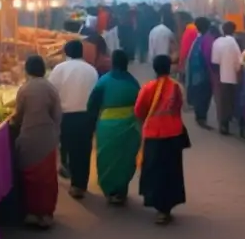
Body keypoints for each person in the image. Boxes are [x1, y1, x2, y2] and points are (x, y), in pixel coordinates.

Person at [135, 55, 188, 225]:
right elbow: (179, 107)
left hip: (154, 134)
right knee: (172, 171)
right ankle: (167, 208)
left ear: (155, 68)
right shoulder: (176, 87)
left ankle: (158, 207)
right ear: (169, 68)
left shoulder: (148, 87)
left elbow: (139, 110)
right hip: (173, 133)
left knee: (154, 170)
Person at [11, 55, 62, 229]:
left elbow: (18, 116)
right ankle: (46, 215)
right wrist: (55, 133)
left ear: (27, 70)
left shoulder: (24, 89)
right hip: (47, 138)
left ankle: (32, 214)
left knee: (30, 178)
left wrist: (15, 123)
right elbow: (57, 115)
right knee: (47, 179)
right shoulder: (51, 88)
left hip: (28, 138)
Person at [87, 50, 143, 204]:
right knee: (125, 159)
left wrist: (91, 123)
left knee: (106, 158)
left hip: (107, 127)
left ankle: (110, 191)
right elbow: (141, 105)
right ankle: (121, 190)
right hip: (129, 126)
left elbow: (92, 104)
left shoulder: (104, 81)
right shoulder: (133, 82)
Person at [49, 40, 99, 198]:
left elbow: (52, 92)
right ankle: (79, 185)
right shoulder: (92, 70)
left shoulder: (59, 69)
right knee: (83, 150)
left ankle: (66, 169)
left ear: (67, 53)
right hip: (87, 116)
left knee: (67, 146)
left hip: (66, 115)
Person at [211, 21, 243, 136]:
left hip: (220, 76)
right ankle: (228, 121)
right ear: (234, 30)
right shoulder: (234, 43)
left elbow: (214, 62)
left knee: (222, 101)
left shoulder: (217, 42)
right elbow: (239, 62)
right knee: (230, 101)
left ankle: (223, 124)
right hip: (232, 77)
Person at [185, 17, 214, 129]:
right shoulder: (207, 39)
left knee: (199, 95)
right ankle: (201, 118)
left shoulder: (199, 39)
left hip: (197, 72)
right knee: (204, 96)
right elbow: (208, 57)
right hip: (203, 73)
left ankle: (200, 117)